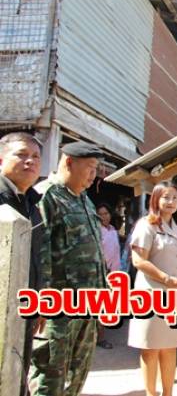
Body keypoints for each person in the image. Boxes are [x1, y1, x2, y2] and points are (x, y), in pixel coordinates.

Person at [30, 141, 107, 396]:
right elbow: (39, 254)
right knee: (49, 377)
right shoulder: (46, 196)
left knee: (76, 375)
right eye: (90, 167)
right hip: (58, 308)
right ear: (69, 162)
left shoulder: (84, 199)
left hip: (87, 305)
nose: (93, 174)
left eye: (96, 168)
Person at [127, 181, 177, 396]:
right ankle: (151, 393)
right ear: (156, 199)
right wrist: (165, 278)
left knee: (170, 346)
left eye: (175, 198)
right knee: (150, 347)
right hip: (151, 293)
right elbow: (138, 260)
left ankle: (167, 392)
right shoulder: (146, 225)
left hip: (176, 296)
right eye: (166, 197)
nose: (171, 202)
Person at [0, 132, 43, 396]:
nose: (30, 161)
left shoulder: (32, 204)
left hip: (25, 309)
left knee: (17, 375)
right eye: (21, 155)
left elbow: (37, 257)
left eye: (36, 156)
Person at [96, 202, 121, 349]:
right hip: (101, 273)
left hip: (114, 274)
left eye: (106, 213)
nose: (104, 217)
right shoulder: (96, 231)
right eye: (100, 214)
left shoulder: (112, 230)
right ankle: (100, 338)